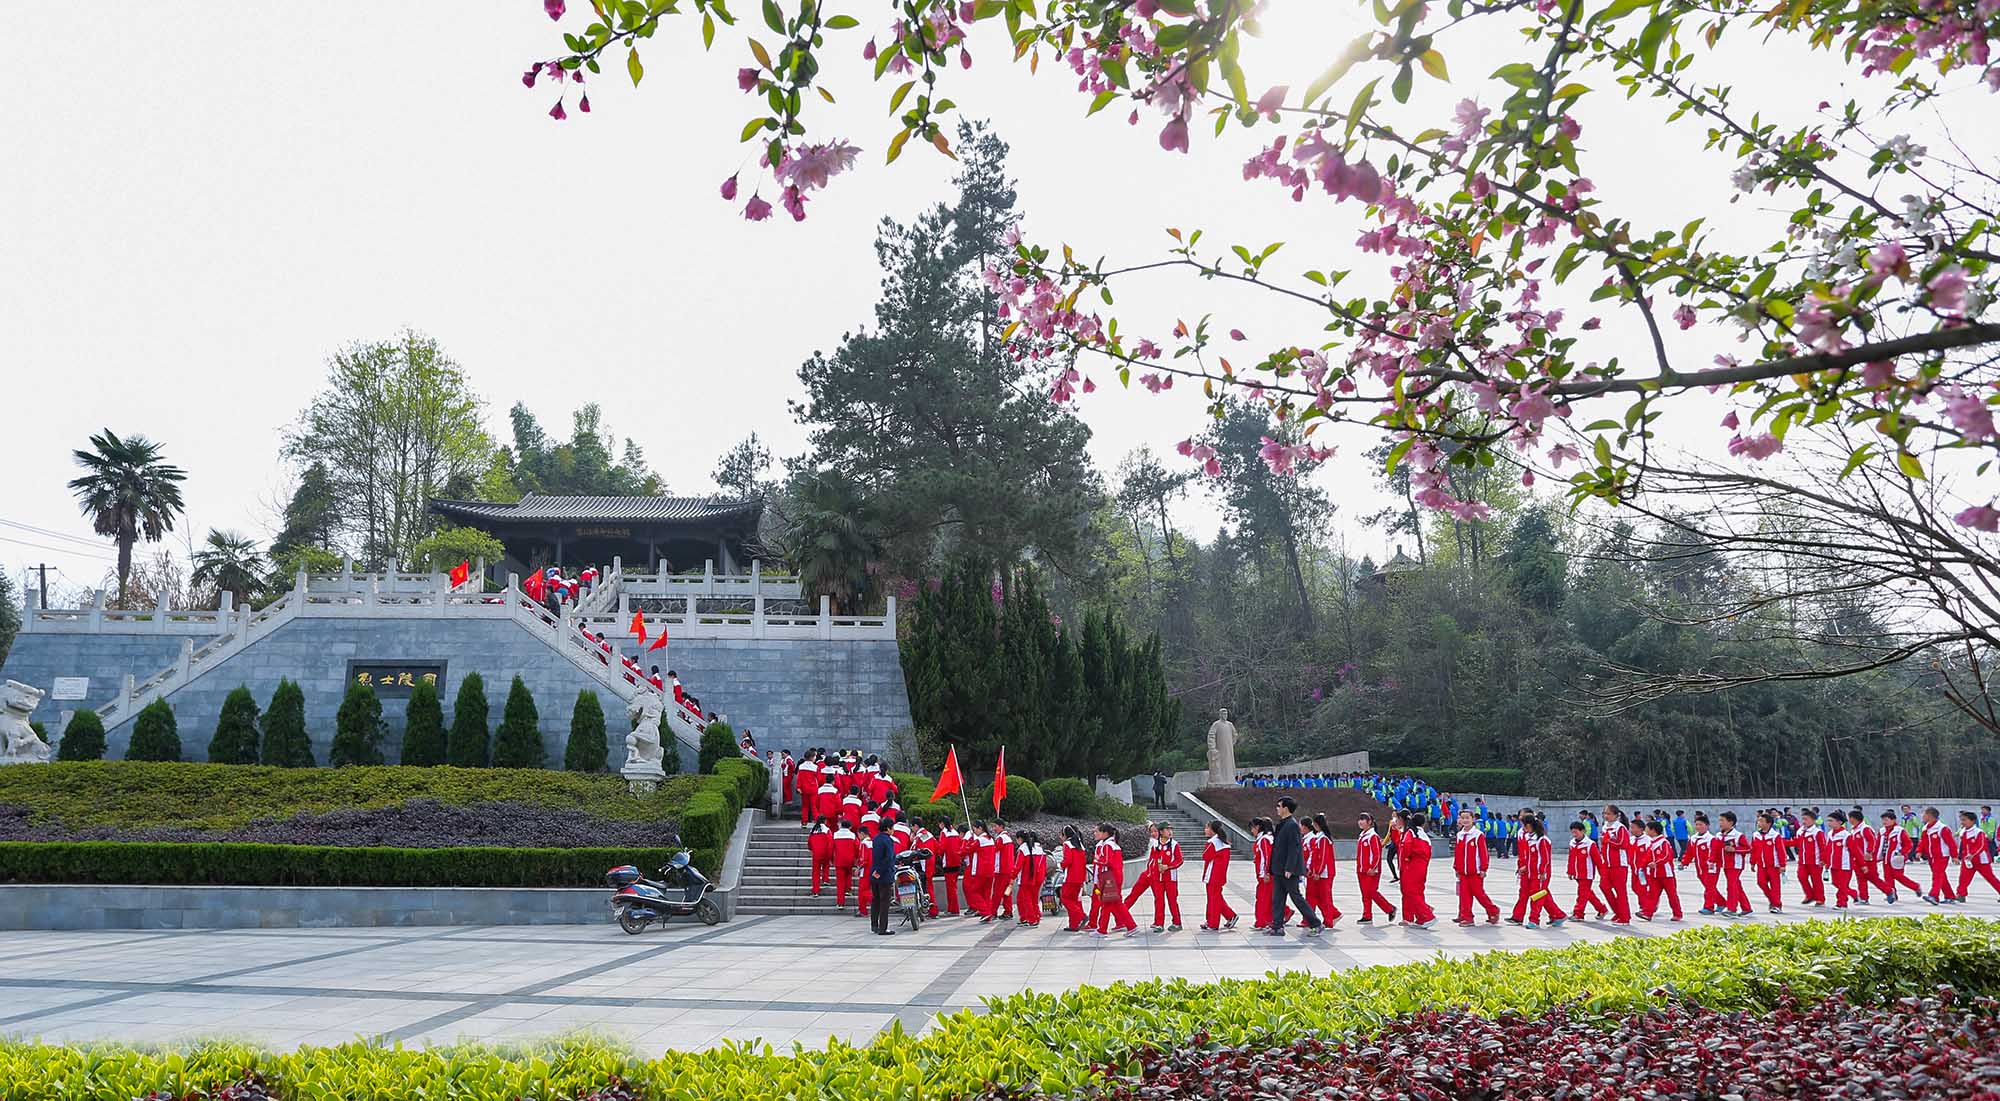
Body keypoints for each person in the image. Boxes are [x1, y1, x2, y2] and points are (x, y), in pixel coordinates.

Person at [1267, 797, 1321, 938]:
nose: (1277, 808)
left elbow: (1294, 848)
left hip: (1288, 870)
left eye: (1279, 806)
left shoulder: (1291, 825)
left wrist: (1289, 868)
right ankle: (1277, 926)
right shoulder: (1282, 824)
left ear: (1286, 808)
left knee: (1296, 897)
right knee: (1277, 898)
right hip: (1279, 868)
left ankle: (1316, 923)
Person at [1509, 815, 1565, 927]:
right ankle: (1558, 915)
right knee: (1542, 895)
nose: (1522, 828)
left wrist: (1542, 872)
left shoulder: (1542, 840)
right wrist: (1525, 867)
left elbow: (1545, 859)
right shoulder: (1530, 838)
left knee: (1537, 896)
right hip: (1531, 873)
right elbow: (1531, 857)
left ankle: (1534, 920)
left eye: (1523, 825)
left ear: (1528, 825)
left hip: (1540, 874)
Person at [1452, 808, 1500, 926]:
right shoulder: (1460, 835)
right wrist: (1456, 868)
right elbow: (1458, 853)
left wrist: (1484, 868)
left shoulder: (1478, 835)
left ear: (1473, 819)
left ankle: (1493, 911)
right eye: (1462, 818)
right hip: (1463, 872)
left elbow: (1484, 854)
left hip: (1476, 872)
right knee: (1464, 895)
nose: (1465, 820)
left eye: (1467, 818)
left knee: (1479, 894)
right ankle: (1466, 917)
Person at [1092, 824, 1139, 936]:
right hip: (1115, 877)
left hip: (1110, 877)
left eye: (1097, 831)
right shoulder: (1113, 844)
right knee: (1114, 903)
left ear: (1105, 833)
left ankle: (1103, 929)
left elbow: (1107, 862)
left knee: (1108, 903)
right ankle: (1130, 926)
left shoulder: (1107, 845)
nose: (1095, 833)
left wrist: (1097, 860)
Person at [1396, 810, 1438, 928]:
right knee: (1415, 891)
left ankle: (1427, 915)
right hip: (1418, 867)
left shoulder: (1411, 833)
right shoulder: (1420, 834)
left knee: (1411, 892)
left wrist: (1406, 860)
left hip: (1412, 866)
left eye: (1397, 818)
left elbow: (1406, 850)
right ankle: (1418, 917)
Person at [1353, 812, 1397, 924]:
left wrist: (1373, 867)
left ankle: (1390, 909)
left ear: (1369, 822)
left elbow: (1377, 854)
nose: (1360, 821)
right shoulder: (1362, 835)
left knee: (1371, 891)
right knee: (1365, 894)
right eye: (1360, 819)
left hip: (1371, 871)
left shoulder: (1373, 836)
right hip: (1362, 870)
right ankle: (1367, 915)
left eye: (1363, 819)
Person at [1598, 805, 1635, 925]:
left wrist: (1608, 840)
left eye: (1608, 813)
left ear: (1615, 815)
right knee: (1604, 886)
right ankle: (1618, 912)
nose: (1606, 816)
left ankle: (1625, 917)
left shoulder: (1620, 828)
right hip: (1607, 864)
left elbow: (1623, 844)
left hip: (1619, 864)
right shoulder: (1605, 827)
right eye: (1605, 813)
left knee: (1620, 891)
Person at [1305, 813, 1342, 928]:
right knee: (1321, 897)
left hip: (1324, 874)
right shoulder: (1319, 838)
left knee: (1325, 898)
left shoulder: (1323, 839)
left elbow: (1323, 858)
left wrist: (1318, 872)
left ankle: (1328, 920)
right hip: (1320, 873)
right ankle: (1333, 916)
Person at [1682, 812, 1724, 915]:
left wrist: (1711, 861)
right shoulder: (1693, 839)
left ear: (1707, 826)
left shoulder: (1712, 839)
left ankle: (1709, 907)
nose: (1698, 827)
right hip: (1700, 868)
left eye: (1701, 824)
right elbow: (1689, 852)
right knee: (1710, 887)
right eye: (1696, 824)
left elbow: (1714, 853)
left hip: (1711, 867)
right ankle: (1721, 902)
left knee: (1709, 887)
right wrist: (1684, 863)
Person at [1199, 820, 1238, 931]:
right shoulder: (1223, 842)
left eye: (1206, 827)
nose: (1205, 830)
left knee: (1213, 899)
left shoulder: (1213, 842)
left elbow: (1205, 856)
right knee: (1215, 898)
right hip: (1219, 875)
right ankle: (1228, 917)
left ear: (1211, 829)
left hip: (1213, 875)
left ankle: (1213, 923)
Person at [1566, 821, 1608, 920]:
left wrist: (1603, 875)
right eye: (1573, 832)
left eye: (1576, 832)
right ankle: (1602, 909)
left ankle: (1578, 913)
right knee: (1587, 893)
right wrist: (1570, 871)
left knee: (1582, 894)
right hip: (1577, 873)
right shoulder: (1572, 843)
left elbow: (1598, 860)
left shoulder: (1590, 844)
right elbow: (1571, 859)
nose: (1574, 834)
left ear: (1583, 831)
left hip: (1586, 874)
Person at [1788, 808, 1829, 907]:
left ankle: (1820, 898)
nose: (1804, 821)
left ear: (1813, 820)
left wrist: (1824, 860)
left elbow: (1822, 847)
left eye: (1806, 819)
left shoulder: (1817, 832)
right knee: (1801, 877)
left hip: (1815, 861)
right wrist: (1783, 841)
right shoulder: (1800, 831)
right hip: (1803, 860)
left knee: (1816, 880)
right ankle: (1809, 895)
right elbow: (1796, 842)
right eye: (1803, 819)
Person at [1919, 806, 1960, 904]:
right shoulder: (1925, 828)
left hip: (1942, 856)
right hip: (1931, 857)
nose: (1922, 816)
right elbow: (1922, 842)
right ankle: (1950, 896)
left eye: (1923, 814)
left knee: (1937, 876)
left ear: (1929, 815)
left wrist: (1954, 856)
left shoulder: (1942, 828)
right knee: (1941, 876)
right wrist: (1919, 851)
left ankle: (1933, 896)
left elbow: (1951, 843)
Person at [1878, 809, 1921, 902]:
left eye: (1886, 820)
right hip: (1886, 858)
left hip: (1896, 858)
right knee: (1887, 877)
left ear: (1893, 820)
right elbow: (1878, 845)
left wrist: (1901, 852)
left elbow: (1909, 844)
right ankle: (1892, 894)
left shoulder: (1899, 831)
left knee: (1898, 876)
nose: (1884, 822)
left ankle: (1915, 887)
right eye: (1883, 820)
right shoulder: (1882, 831)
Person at [1751, 811, 1788, 913]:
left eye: (1761, 821)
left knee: (1775, 886)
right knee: (1761, 882)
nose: (1759, 823)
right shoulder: (1756, 835)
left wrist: (1782, 865)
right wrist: (1752, 862)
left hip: (1773, 865)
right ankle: (1773, 900)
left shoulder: (1775, 836)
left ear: (1768, 823)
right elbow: (1753, 850)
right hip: (1761, 865)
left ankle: (1776, 905)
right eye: (1758, 821)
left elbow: (1781, 851)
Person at [1958, 810, 2000, 899]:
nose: (1962, 822)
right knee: (1963, 878)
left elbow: (1981, 846)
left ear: (1972, 821)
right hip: (1968, 860)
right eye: (1961, 820)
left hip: (1981, 860)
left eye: (1964, 820)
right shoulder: (1963, 832)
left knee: (1990, 878)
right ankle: (1961, 895)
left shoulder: (1978, 832)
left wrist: (1973, 854)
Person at [1717, 811, 1752, 917]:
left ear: (1731, 822)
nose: (1720, 823)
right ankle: (1746, 907)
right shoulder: (1719, 835)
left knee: (1731, 886)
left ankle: (1732, 908)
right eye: (1720, 820)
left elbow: (1748, 849)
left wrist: (1735, 849)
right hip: (1725, 864)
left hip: (1735, 865)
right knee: (1736, 885)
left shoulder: (1738, 836)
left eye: (1722, 820)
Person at [1151, 822, 1185, 932]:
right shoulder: (1155, 845)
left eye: (1171, 829)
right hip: (1158, 878)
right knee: (1159, 900)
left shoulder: (1175, 844)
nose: (1170, 832)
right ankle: (1159, 923)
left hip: (1171, 878)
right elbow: (1152, 860)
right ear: (1161, 832)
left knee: (1172, 900)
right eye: (1167, 829)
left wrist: (1168, 867)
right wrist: (1154, 871)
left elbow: (1179, 861)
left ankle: (1177, 922)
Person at [868, 820, 898, 935]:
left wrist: (876, 871)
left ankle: (874, 925)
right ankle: (883, 928)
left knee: (875, 900)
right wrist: (880, 871)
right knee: (885, 902)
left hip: (874, 872)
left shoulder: (876, 839)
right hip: (884, 874)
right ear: (888, 828)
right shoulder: (888, 840)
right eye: (892, 828)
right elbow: (889, 857)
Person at [1059, 825, 1091, 932]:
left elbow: (1068, 860)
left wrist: (1061, 865)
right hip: (1080, 877)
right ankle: (1073, 924)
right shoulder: (1080, 845)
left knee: (1066, 899)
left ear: (1065, 835)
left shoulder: (1067, 844)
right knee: (1074, 900)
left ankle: (1081, 916)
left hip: (1070, 877)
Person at [1016, 832, 1047, 927]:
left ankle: (1031, 919)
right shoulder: (1039, 849)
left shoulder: (1023, 849)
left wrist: (1012, 877)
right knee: (1034, 899)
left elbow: (1018, 866)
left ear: (1020, 839)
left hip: (1026, 878)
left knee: (1026, 900)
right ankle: (1036, 916)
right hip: (1038, 878)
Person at [831, 819, 860, 908]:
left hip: (839, 860)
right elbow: (857, 848)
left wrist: (832, 859)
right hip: (850, 860)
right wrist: (857, 859)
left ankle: (840, 902)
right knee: (848, 875)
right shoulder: (852, 835)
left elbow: (831, 848)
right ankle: (848, 889)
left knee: (840, 882)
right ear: (849, 827)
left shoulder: (835, 835)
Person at [808, 816, 834, 896]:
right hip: (825, 852)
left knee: (816, 872)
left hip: (816, 853)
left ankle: (815, 890)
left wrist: (813, 850)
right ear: (825, 821)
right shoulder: (827, 830)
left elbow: (809, 843)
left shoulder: (813, 830)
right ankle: (825, 879)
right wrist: (831, 856)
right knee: (826, 866)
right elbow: (830, 843)